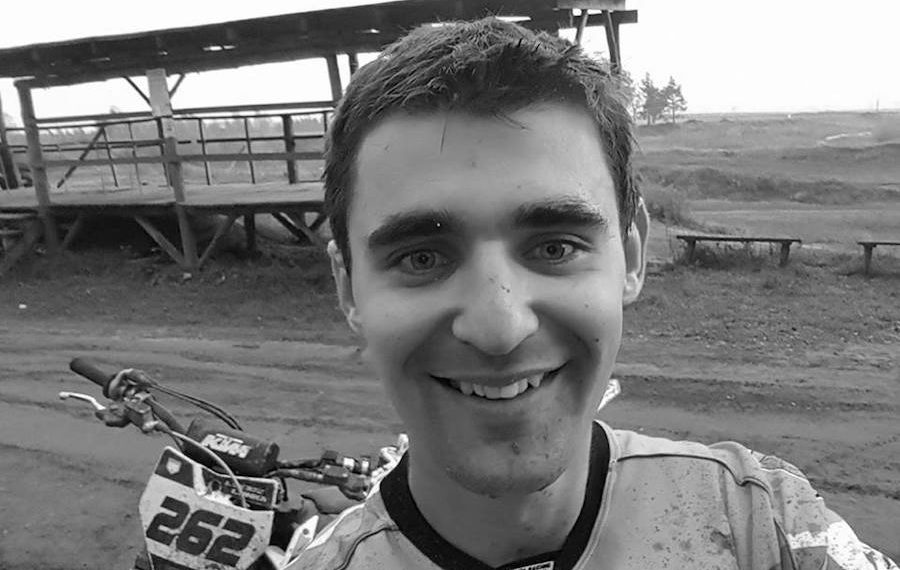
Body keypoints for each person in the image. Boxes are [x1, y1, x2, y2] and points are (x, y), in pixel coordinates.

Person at [286, 17, 898, 570]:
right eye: (421, 258)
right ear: (348, 287)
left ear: (631, 256)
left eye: (555, 248)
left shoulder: (766, 529)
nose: (500, 327)